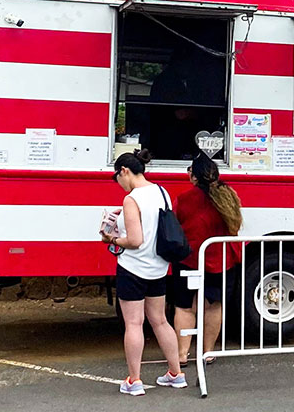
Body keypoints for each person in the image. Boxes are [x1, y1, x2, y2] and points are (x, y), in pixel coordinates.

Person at [100, 149, 184, 395]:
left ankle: (134, 380)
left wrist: (112, 239)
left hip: (133, 269)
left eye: (118, 178)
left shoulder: (131, 199)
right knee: (160, 321)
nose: (120, 184)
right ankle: (176, 373)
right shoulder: (162, 192)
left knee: (134, 324)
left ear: (124, 171)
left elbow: (135, 240)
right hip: (158, 268)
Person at [172, 153, 242, 367]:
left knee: (184, 307)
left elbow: (176, 226)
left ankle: (182, 354)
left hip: (189, 259)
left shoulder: (184, 199)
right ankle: (207, 352)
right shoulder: (229, 195)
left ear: (194, 175)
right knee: (213, 306)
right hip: (222, 259)